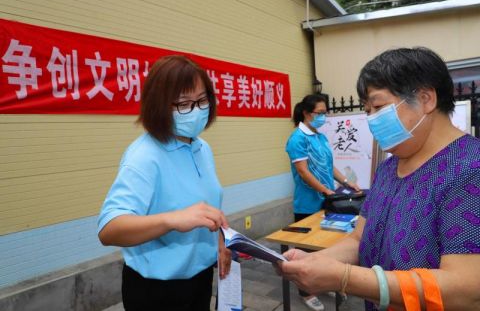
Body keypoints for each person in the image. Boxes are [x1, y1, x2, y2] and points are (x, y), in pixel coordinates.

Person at [277, 47, 480, 310]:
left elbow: (465, 290)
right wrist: (314, 262)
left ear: (426, 99)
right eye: (367, 109)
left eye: (378, 106)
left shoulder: (470, 169)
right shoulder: (388, 168)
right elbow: (359, 240)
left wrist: (345, 278)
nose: (371, 119)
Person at [97, 55, 231, 311]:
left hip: (200, 277)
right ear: (159, 105)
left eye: (202, 101)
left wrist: (221, 243)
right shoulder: (144, 156)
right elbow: (109, 228)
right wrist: (171, 219)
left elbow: (205, 208)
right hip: (156, 289)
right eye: (183, 104)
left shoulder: (202, 148)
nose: (196, 110)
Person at [285, 94, 360, 310]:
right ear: (307, 114)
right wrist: (326, 191)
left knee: (326, 246)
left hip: (327, 201)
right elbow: (303, 171)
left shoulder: (320, 136)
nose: (324, 116)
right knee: (305, 251)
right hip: (308, 204)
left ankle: (323, 280)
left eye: (326, 112)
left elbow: (330, 166)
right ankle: (305, 292)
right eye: (320, 113)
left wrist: (347, 182)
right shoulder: (297, 138)